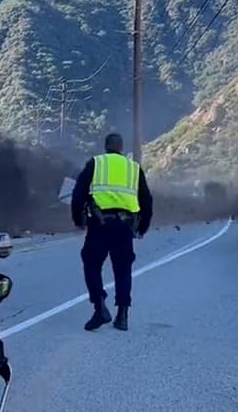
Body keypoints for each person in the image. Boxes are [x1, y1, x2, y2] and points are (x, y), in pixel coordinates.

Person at [70, 132, 153, 332]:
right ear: (121, 147)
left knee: (91, 264)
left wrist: (78, 220)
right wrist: (143, 227)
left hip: (100, 225)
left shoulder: (96, 163)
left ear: (106, 146)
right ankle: (122, 315)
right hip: (125, 227)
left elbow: (78, 193)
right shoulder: (134, 168)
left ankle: (100, 308)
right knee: (123, 269)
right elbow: (146, 200)